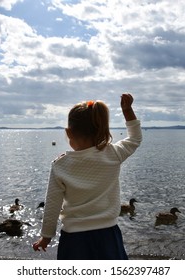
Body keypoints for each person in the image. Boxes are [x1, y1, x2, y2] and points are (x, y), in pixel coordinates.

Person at [32, 93, 142, 259]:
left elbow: (52, 205)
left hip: (74, 239)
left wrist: (46, 237)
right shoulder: (113, 154)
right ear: (102, 129)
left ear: (69, 133)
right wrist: (127, 111)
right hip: (108, 235)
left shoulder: (60, 165)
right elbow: (135, 139)